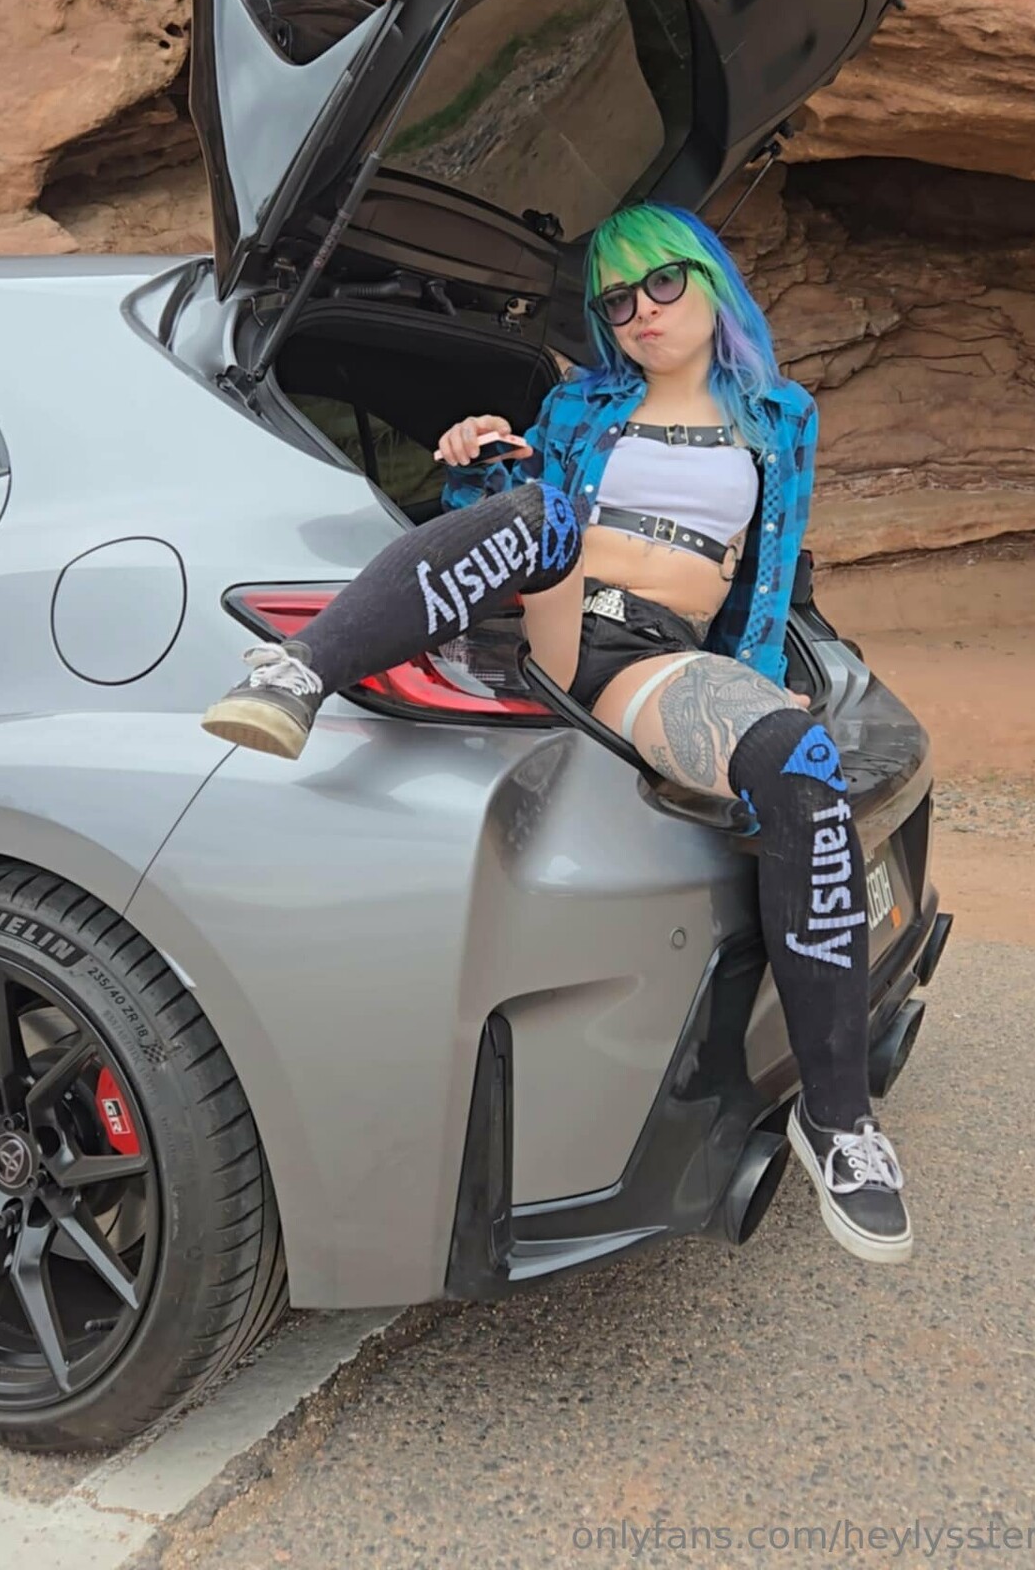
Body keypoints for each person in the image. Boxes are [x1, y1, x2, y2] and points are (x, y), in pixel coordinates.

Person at [202, 201, 911, 1265]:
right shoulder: (583, 404)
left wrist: (770, 689)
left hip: (664, 655)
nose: (641, 313)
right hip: (568, 625)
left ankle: (840, 1122)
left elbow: (773, 572)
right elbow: (502, 515)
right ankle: (300, 673)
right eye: (616, 301)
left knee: (800, 768)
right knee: (543, 512)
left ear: (710, 280)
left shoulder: (779, 417)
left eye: (661, 283)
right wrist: (474, 457)